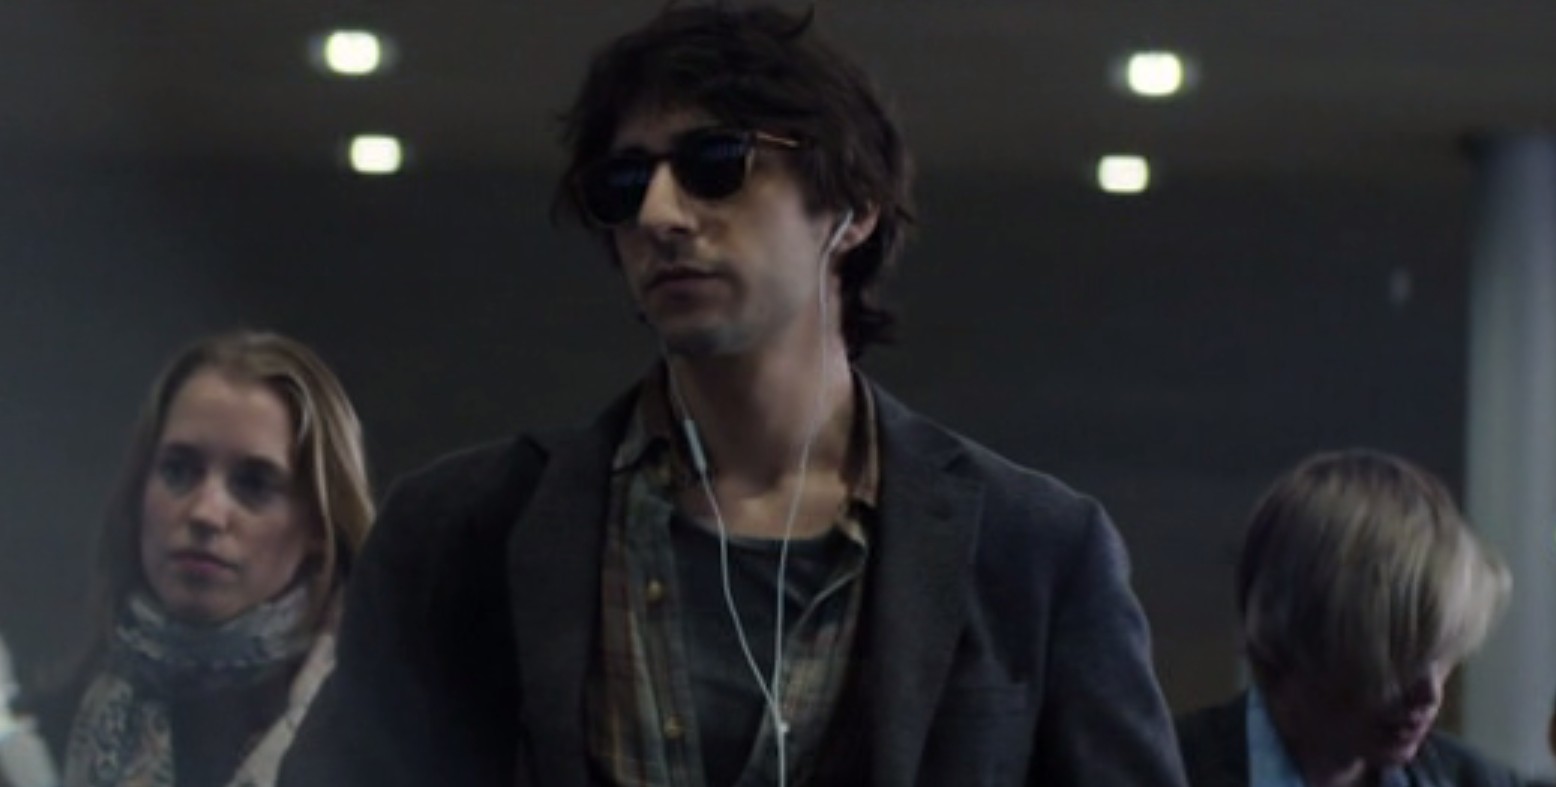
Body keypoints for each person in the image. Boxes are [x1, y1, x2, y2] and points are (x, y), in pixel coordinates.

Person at [281, 5, 1185, 786]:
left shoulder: (1034, 549)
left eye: (716, 163)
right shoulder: (461, 532)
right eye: (625, 184)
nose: (660, 215)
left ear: (852, 207)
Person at [10, 331, 374, 787]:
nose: (205, 512)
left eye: (254, 484)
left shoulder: (375, 737)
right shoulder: (49, 727)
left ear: (320, 525)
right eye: (178, 470)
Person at [1175, 449, 1520, 787]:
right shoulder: (1164, 770)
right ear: (1295, 641)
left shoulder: (1479, 780)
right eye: (1395, 659)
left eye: (1441, 657)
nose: (1429, 695)